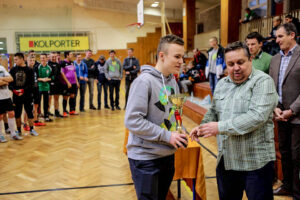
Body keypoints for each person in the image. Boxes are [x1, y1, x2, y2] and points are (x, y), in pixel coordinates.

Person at [190, 41, 278, 200]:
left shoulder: (263, 82)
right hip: (227, 161)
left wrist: (219, 127)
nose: (236, 67)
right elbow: (214, 110)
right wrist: (202, 127)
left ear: (250, 59)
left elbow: (257, 116)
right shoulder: (223, 83)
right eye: (230, 64)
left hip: (255, 163)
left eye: (240, 62)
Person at [125, 34, 188, 200]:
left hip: (166, 155)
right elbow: (132, 120)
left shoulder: (172, 81)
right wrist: (167, 135)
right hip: (145, 159)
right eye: (177, 56)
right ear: (162, 55)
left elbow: (172, 112)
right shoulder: (143, 82)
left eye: (182, 56)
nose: (182, 61)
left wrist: (182, 131)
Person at [269, 23, 300, 199]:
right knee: (285, 153)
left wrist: (292, 110)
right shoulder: (275, 59)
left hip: (297, 116)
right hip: (280, 115)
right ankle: (287, 186)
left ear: (292, 35)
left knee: (297, 156)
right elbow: (271, 87)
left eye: (280, 36)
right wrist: (276, 108)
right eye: (277, 36)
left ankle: (297, 192)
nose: (277, 40)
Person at [9, 53, 38, 137]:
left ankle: (32, 129)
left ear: (22, 59)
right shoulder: (13, 70)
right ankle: (18, 130)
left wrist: (23, 90)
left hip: (27, 95)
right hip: (16, 96)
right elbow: (10, 83)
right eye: (14, 60)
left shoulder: (29, 70)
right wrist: (14, 90)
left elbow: (32, 84)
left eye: (16, 59)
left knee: (29, 112)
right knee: (17, 113)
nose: (15, 61)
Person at [0, 62, 22, 141]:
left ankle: (13, 134)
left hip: (7, 96)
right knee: (0, 116)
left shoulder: (2, 68)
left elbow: (11, 79)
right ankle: (0, 135)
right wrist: (6, 81)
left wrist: (2, 80)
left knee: (11, 113)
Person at [27, 56, 45, 126]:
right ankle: (27, 123)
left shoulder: (35, 69)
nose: (32, 62)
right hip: (29, 90)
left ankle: (35, 120)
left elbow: (37, 79)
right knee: (28, 107)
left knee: (36, 106)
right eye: (30, 60)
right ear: (27, 61)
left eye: (33, 60)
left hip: (36, 89)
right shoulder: (26, 69)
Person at [60, 51, 80, 117]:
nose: (72, 55)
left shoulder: (72, 62)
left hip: (73, 82)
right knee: (65, 97)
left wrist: (76, 81)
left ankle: (71, 110)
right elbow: (62, 73)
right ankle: (64, 111)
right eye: (71, 54)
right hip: (66, 83)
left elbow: (74, 72)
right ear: (67, 55)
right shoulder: (63, 63)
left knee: (72, 96)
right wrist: (68, 82)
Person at [36, 53, 53, 122]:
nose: (42, 59)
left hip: (46, 87)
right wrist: (42, 79)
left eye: (44, 58)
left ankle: (46, 116)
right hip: (39, 87)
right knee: (38, 102)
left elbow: (52, 77)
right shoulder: (37, 67)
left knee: (46, 102)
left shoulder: (49, 67)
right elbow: (36, 78)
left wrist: (48, 79)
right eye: (41, 58)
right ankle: (38, 115)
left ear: (46, 58)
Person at [48, 51, 63, 118]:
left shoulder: (58, 65)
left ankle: (56, 111)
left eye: (54, 57)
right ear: (49, 57)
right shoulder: (47, 64)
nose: (53, 58)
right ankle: (47, 112)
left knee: (56, 98)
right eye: (52, 57)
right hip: (49, 84)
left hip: (57, 83)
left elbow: (60, 74)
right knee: (49, 98)